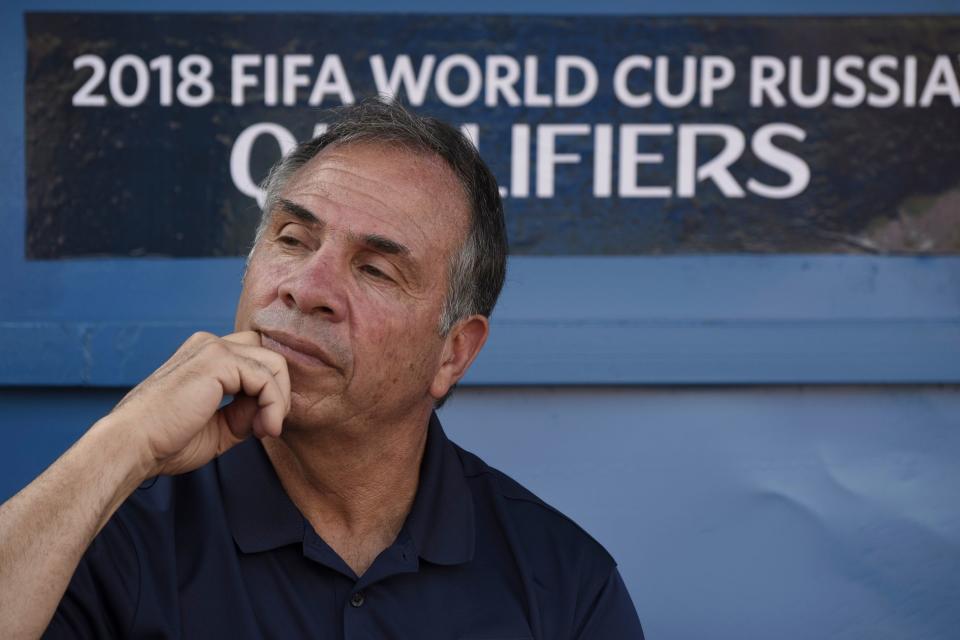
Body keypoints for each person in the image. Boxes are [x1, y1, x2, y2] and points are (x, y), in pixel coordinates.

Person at [0, 99, 644, 639]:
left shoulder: (562, 584)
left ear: (453, 352)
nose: (307, 288)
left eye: (374, 269)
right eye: (292, 239)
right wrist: (122, 443)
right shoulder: (115, 530)